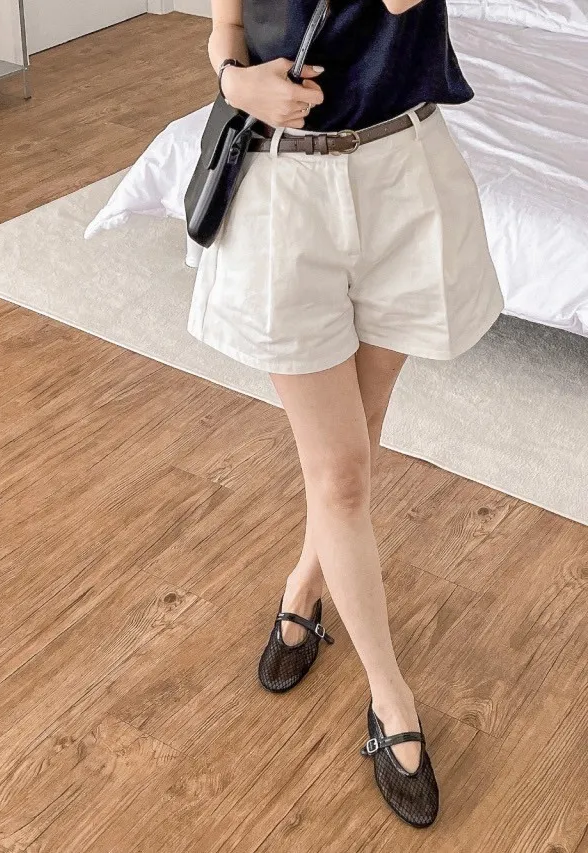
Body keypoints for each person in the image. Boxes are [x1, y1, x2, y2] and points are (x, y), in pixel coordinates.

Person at [186, 0, 505, 829]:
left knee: (355, 448)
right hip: (282, 189)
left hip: (402, 174)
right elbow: (226, 31)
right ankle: (390, 698)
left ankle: (304, 584)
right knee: (342, 475)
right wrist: (235, 82)